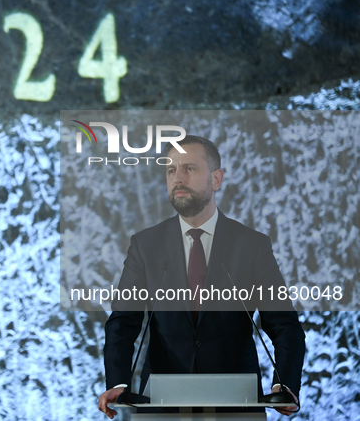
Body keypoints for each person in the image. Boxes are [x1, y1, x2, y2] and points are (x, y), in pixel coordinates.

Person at [97, 135, 306, 419]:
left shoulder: (252, 245)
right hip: (161, 405)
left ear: (216, 179)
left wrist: (285, 382)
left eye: (189, 168)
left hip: (236, 403)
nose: (177, 178)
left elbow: (283, 323)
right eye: (171, 170)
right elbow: (123, 321)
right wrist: (118, 382)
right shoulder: (145, 245)